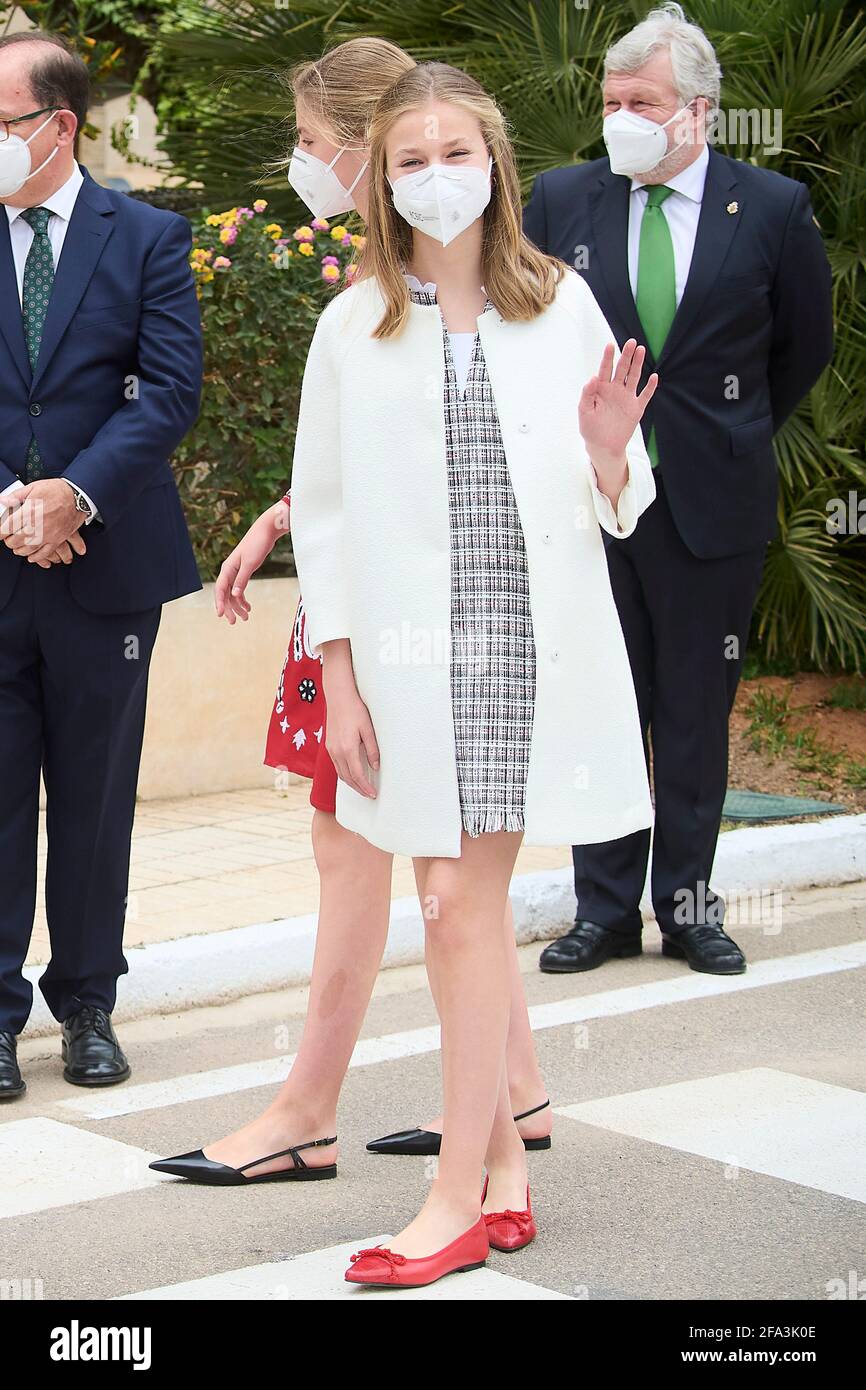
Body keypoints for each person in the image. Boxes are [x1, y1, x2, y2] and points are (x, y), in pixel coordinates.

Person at [148, 39, 551, 1190]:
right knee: (445, 877)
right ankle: (514, 1093)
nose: (300, 165)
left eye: (315, 146)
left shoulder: (440, 294)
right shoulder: (374, 302)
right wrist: (279, 520)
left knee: (363, 860)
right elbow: (357, 464)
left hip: (381, 627)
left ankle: (304, 1109)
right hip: (355, 606)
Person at [289, 60, 658, 1289]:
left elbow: (623, 495)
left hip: (518, 646)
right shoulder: (353, 323)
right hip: (401, 657)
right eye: (408, 160)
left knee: (453, 904)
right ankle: (500, 1164)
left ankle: (450, 1196)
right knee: (462, 911)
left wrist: (608, 455)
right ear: (382, 183)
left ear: (493, 165)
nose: (435, 177)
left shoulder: (561, 302)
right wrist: (338, 676)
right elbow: (327, 517)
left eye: (456, 154)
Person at [524, 3, 833, 979]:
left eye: (640, 101)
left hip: (709, 505)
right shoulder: (561, 199)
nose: (618, 116)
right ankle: (601, 911)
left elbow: (800, 348)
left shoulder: (771, 209)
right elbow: (533, 339)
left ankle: (688, 907)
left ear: (695, 112)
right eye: (610, 99)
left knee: (695, 711)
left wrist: (720, 435)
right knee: (600, 704)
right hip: (588, 500)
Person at [0, 32, 202, 1098]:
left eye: (2, 121)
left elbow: (166, 392)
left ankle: (86, 1005)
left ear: (60, 125)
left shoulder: (148, 237)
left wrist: (71, 495)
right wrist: (14, 505)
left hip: (106, 565)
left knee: (93, 793)